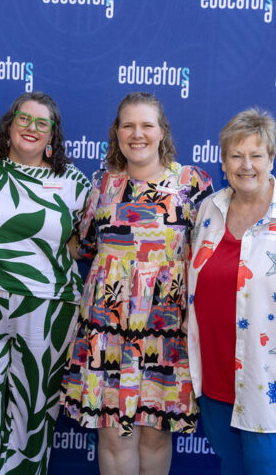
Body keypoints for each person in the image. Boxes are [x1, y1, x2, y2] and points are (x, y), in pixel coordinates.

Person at [60, 92, 213, 475]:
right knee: (115, 436)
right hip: (108, 328)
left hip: (167, 329)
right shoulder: (103, 185)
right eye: (128, 125)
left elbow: (209, 255)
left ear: (162, 132)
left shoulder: (191, 184)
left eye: (146, 125)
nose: (137, 133)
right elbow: (84, 246)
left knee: (155, 435)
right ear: (116, 132)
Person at [0, 92, 91, 475]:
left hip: (49, 311)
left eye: (43, 123)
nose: (32, 128)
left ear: (53, 134)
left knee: (33, 415)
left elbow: (82, 245)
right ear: (9, 124)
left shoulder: (74, 183)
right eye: (24, 119)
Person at [187, 108, 276, 475]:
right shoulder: (210, 208)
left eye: (256, 155)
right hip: (215, 375)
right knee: (231, 466)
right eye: (236, 156)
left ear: (271, 159)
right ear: (223, 163)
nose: (247, 165)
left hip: (265, 380)